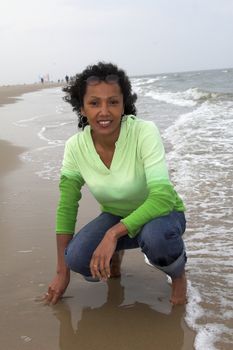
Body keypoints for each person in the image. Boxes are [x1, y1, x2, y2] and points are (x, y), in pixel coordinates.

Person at [45, 62, 187, 306]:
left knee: (156, 239)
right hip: (117, 215)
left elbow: (162, 198)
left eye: (113, 102)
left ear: (124, 104)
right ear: (81, 108)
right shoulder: (75, 147)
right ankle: (114, 256)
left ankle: (178, 274)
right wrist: (62, 272)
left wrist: (113, 234)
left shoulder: (144, 132)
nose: (104, 111)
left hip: (164, 214)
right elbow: (67, 206)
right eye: (94, 103)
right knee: (77, 257)